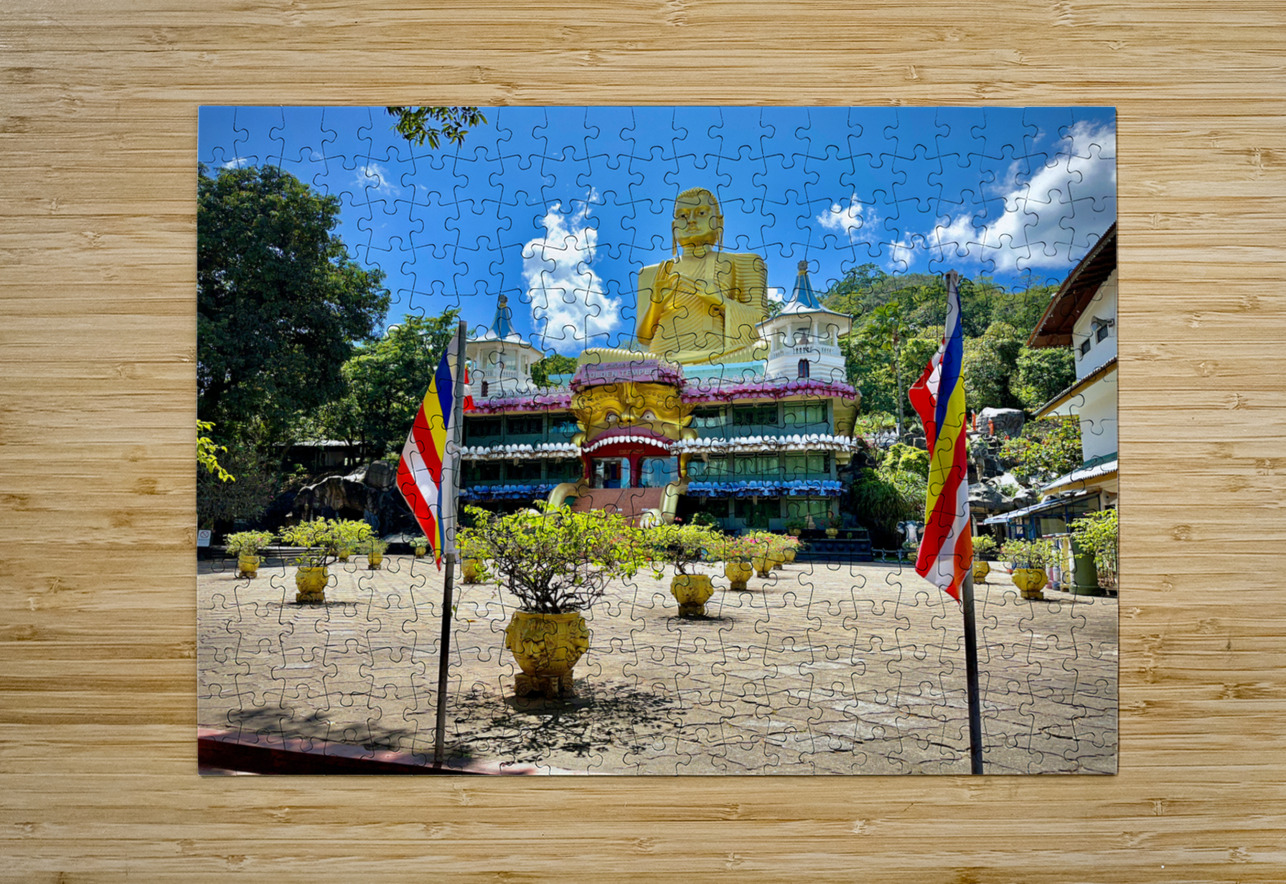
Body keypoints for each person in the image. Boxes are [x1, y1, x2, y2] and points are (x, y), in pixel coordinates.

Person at [633, 187, 769, 365]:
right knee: (598, 356)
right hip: (661, 360)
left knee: (764, 348)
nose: (691, 220)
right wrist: (655, 305)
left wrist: (721, 301)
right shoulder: (652, 273)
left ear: (719, 222)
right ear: (673, 227)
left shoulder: (746, 263)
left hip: (718, 356)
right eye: (682, 215)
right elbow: (644, 338)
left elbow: (762, 326)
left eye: (701, 213)